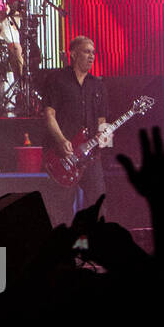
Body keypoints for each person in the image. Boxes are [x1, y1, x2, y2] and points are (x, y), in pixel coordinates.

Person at [43, 35, 112, 215]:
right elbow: (49, 114)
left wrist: (105, 139)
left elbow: (102, 120)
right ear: (73, 54)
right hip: (64, 156)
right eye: (87, 52)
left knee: (99, 205)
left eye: (93, 53)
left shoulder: (98, 85)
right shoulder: (57, 80)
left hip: (90, 157)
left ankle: (96, 242)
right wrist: (60, 140)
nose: (91, 56)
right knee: (61, 209)